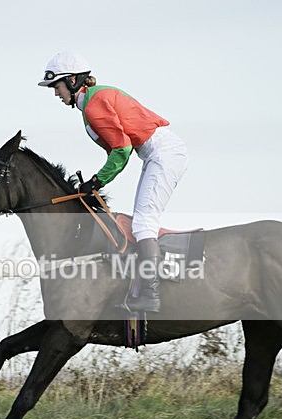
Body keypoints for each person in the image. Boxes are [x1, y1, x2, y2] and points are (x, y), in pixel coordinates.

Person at [38, 52, 188, 313]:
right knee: (141, 221)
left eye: (57, 86)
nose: (55, 93)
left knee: (143, 223)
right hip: (156, 153)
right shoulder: (91, 103)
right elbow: (117, 151)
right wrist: (95, 182)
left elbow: (121, 150)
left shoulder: (94, 104)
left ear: (72, 81)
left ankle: (150, 295)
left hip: (163, 153)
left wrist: (97, 181)